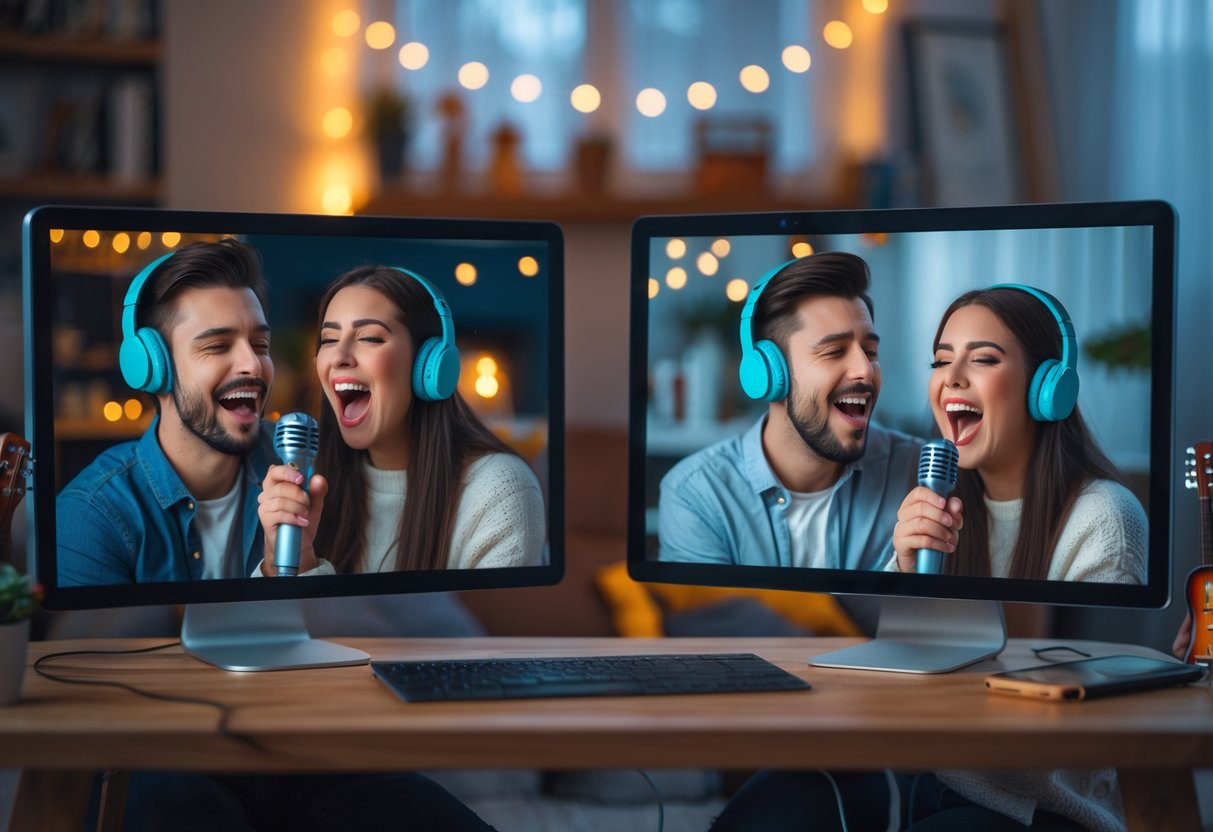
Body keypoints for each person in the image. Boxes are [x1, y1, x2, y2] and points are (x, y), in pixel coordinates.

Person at [256, 264, 545, 575]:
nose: (339, 357)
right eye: (328, 339)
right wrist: (285, 564)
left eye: (370, 338)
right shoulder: (313, 483)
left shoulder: (500, 490)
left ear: (429, 366)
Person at [657, 251, 922, 571]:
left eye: (870, 351)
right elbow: (713, 606)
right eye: (834, 351)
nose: (865, 370)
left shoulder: (918, 473)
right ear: (768, 374)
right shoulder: (697, 495)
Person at [56, 239, 278, 585]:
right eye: (218, 346)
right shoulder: (92, 514)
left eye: (260, 345)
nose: (253, 364)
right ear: (152, 367)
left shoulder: (308, 467)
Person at [891, 285, 1147, 583]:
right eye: (941, 361)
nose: (951, 377)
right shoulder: (936, 512)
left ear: (1047, 389)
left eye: (983, 359)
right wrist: (908, 575)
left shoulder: (1104, 516)